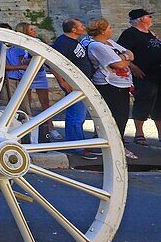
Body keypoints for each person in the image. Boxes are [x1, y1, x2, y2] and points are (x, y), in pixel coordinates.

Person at [85, 18, 136, 160]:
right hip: (109, 85)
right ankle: (110, 146)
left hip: (121, 84)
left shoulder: (109, 43)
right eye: (109, 28)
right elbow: (117, 64)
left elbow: (129, 53)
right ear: (102, 31)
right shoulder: (97, 46)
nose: (111, 30)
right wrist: (125, 58)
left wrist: (124, 57)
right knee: (114, 116)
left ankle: (117, 144)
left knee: (122, 116)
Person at [51, 18, 96, 157]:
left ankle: (79, 143)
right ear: (73, 30)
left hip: (81, 82)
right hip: (74, 83)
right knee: (76, 115)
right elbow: (53, 63)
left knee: (80, 114)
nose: (84, 27)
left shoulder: (72, 42)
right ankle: (76, 146)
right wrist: (62, 81)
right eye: (81, 26)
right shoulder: (63, 43)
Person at [117, 8, 161, 147]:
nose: (151, 18)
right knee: (143, 102)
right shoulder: (130, 34)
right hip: (143, 75)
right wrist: (132, 66)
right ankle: (139, 133)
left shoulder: (150, 34)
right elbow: (121, 51)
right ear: (142, 19)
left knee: (158, 105)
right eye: (149, 16)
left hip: (157, 74)